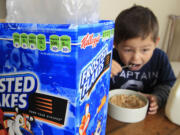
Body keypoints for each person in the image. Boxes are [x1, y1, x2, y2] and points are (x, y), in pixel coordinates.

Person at [110, 5, 176, 115]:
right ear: (115, 44)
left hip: (148, 117)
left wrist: (157, 97)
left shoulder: (160, 58)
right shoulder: (110, 58)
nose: (136, 57)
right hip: (113, 114)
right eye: (128, 50)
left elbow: (168, 84)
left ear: (155, 43)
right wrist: (103, 68)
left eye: (145, 50)